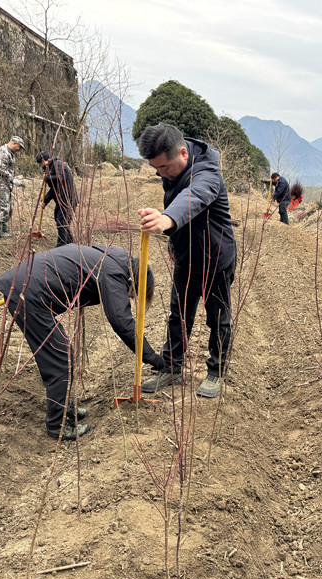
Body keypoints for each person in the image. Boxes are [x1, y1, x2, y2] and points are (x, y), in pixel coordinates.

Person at [0, 244, 165, 440]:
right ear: (134, 281)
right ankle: (57, 426)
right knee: (60, 358)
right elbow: (122, 322)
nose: (128, 296)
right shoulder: (114, 273)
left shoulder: (112, 259)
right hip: (29, 295)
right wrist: (152, 358)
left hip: (27, 286)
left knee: (63, 354)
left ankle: (64, 407)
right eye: (131, 293)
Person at [137, 123, 235, 399]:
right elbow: (176, 199)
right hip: (186, 258)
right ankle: (172, 368)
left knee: (218, 319)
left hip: (216, 259)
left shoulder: (208, 173)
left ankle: (216, 371)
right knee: (178, 315)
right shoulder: (173, 167)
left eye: (164, 168)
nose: (161, 174)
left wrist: (167, 219)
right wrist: (173, 240)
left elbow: (194, 197)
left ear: (183, 153)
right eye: (156, 169)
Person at [36, 152, 78, 246]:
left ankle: (61, 245)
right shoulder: (51, 167)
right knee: (59, 219)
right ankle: (70, 242)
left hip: (68, 199)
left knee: (62, 222)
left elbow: (61, 178)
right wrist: (45, 201)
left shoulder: (58, 165)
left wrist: (48, 178)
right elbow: (54, 189)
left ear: (43, 161)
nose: (41, 167)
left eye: (40, 164)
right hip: (61, 199)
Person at [0, 135, 24, 238]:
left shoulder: (10, 153)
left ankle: (4, 228)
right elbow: (1, 169)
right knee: (2, 206)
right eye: (19, 147)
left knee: (8, 207)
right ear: (14, 143)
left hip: (6, 184)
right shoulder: (3, 152)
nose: (19, 149)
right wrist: (12, 179)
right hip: (1, 184)